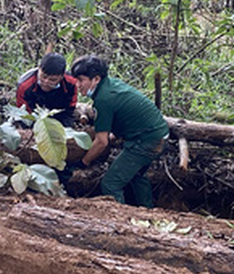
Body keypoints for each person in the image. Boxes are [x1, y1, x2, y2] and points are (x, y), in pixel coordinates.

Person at [70, 55, 168, 208]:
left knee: (110, 184)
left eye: (81, 80)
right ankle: (148, 210)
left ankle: (122, 220)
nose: (77, 84)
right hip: (159, 134)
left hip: (146, 141)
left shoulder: (103, 99)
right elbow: (123, 119)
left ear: (96, 79)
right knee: (136, 175)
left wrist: (84, 161)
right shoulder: (110, 86)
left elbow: (101, 142)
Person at [16, 52, 77, 127]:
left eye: (52, 80)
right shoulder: (25, 85)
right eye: (43, 77)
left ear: (61, 77)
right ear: (39, 69)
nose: (46, 82)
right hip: (35, 115)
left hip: (59, 112)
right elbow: (24, 114)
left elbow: (69, 110)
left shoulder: (71, 82)